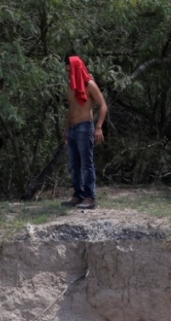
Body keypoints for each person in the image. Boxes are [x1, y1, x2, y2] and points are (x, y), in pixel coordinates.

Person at [61, 54, 107, 210]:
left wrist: (99, 127)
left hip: (84, 127)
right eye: (66, 71)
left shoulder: (89, 85)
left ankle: (90, 197)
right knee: (74, 164)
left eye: (70, 70)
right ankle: (78, 194)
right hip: (73, 128)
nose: (68, 74)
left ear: (76, 68)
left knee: (86, 164)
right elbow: (71, 108)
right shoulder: (71, 85)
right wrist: (66, 129)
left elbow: (103, 106)